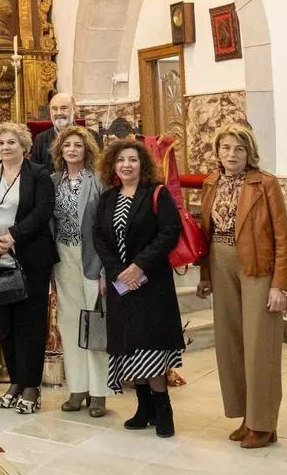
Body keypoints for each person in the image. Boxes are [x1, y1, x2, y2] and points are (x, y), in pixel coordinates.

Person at [197, 124, 287, 449]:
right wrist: (204, 275)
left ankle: (263, 425)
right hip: (220, 265)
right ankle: (247, 417)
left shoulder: (265, 183)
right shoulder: (211, 182)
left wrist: (280, 284)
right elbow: (204, 234)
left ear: (249, 152)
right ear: (217, 152)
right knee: (230, 345)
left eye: (239, 148)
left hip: (256, 268)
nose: (232, 155)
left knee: (259, 346)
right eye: (225, 148)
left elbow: (282, 236)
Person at [92, 139, 185, 438]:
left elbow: (169, 232)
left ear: (142, 163)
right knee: (130, 347)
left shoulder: (156, 193)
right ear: (113, 166)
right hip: (122, 285)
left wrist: (140, 265)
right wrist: (119, 271)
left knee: (151, 347)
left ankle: (163, 409)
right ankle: (143, 407)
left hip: (151, 284)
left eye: (132, 159)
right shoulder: (108, 198)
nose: (127, 165)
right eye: (121, 160)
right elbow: (99, 238)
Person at [0, 123, 56, 415]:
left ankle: (32, 386)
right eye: (1, 143)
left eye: (12, 143)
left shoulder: (39, 173)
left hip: (30, 258)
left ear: (24, 147)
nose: (6, 147)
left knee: (30, 324)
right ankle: (16, 382)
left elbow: (43, 211)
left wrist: (14, 236)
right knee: (5, 324)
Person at [49, 126, 108, 417]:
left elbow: (107, 227)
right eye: (67, 145)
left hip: (92, 259)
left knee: (93, 322)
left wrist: (107, 269)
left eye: (78, 146)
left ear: (87, 151)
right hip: (62, 257)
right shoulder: (52, 181)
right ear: (60, 150)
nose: (72, 150)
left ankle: (99, 392)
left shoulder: (98, 181)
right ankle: (78, 387)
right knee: (68, 322)